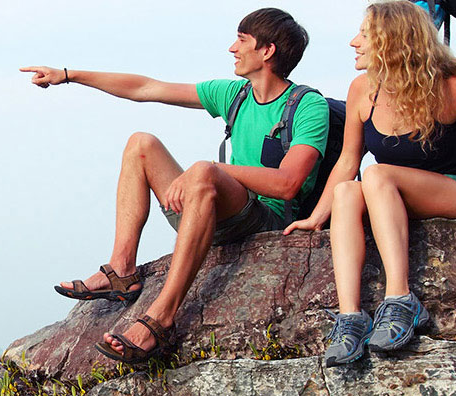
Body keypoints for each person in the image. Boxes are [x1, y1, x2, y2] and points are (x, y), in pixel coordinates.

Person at [21, 8, 330, 365]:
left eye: (241, 40)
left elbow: (288, 184)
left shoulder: (308, 106)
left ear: (267, 51)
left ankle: (160, 318)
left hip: (266, 222)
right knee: (141, 144)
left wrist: (211, 170)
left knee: (203, 171)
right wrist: (68, 74)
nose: (232, 48)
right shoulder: (235, 95)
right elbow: (146, 88)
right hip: (217, 211)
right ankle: (121, 270)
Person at [281, 0, 456, 366]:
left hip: (454, 187)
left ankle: (401, 299)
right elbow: (347, 162)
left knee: (376, 173)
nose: (353, 42)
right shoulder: (362, 89)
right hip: (389, 191)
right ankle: (350, 317)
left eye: (364, 34)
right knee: (347, 190)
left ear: (393, 40)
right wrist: (316, 217)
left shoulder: (455, 87)